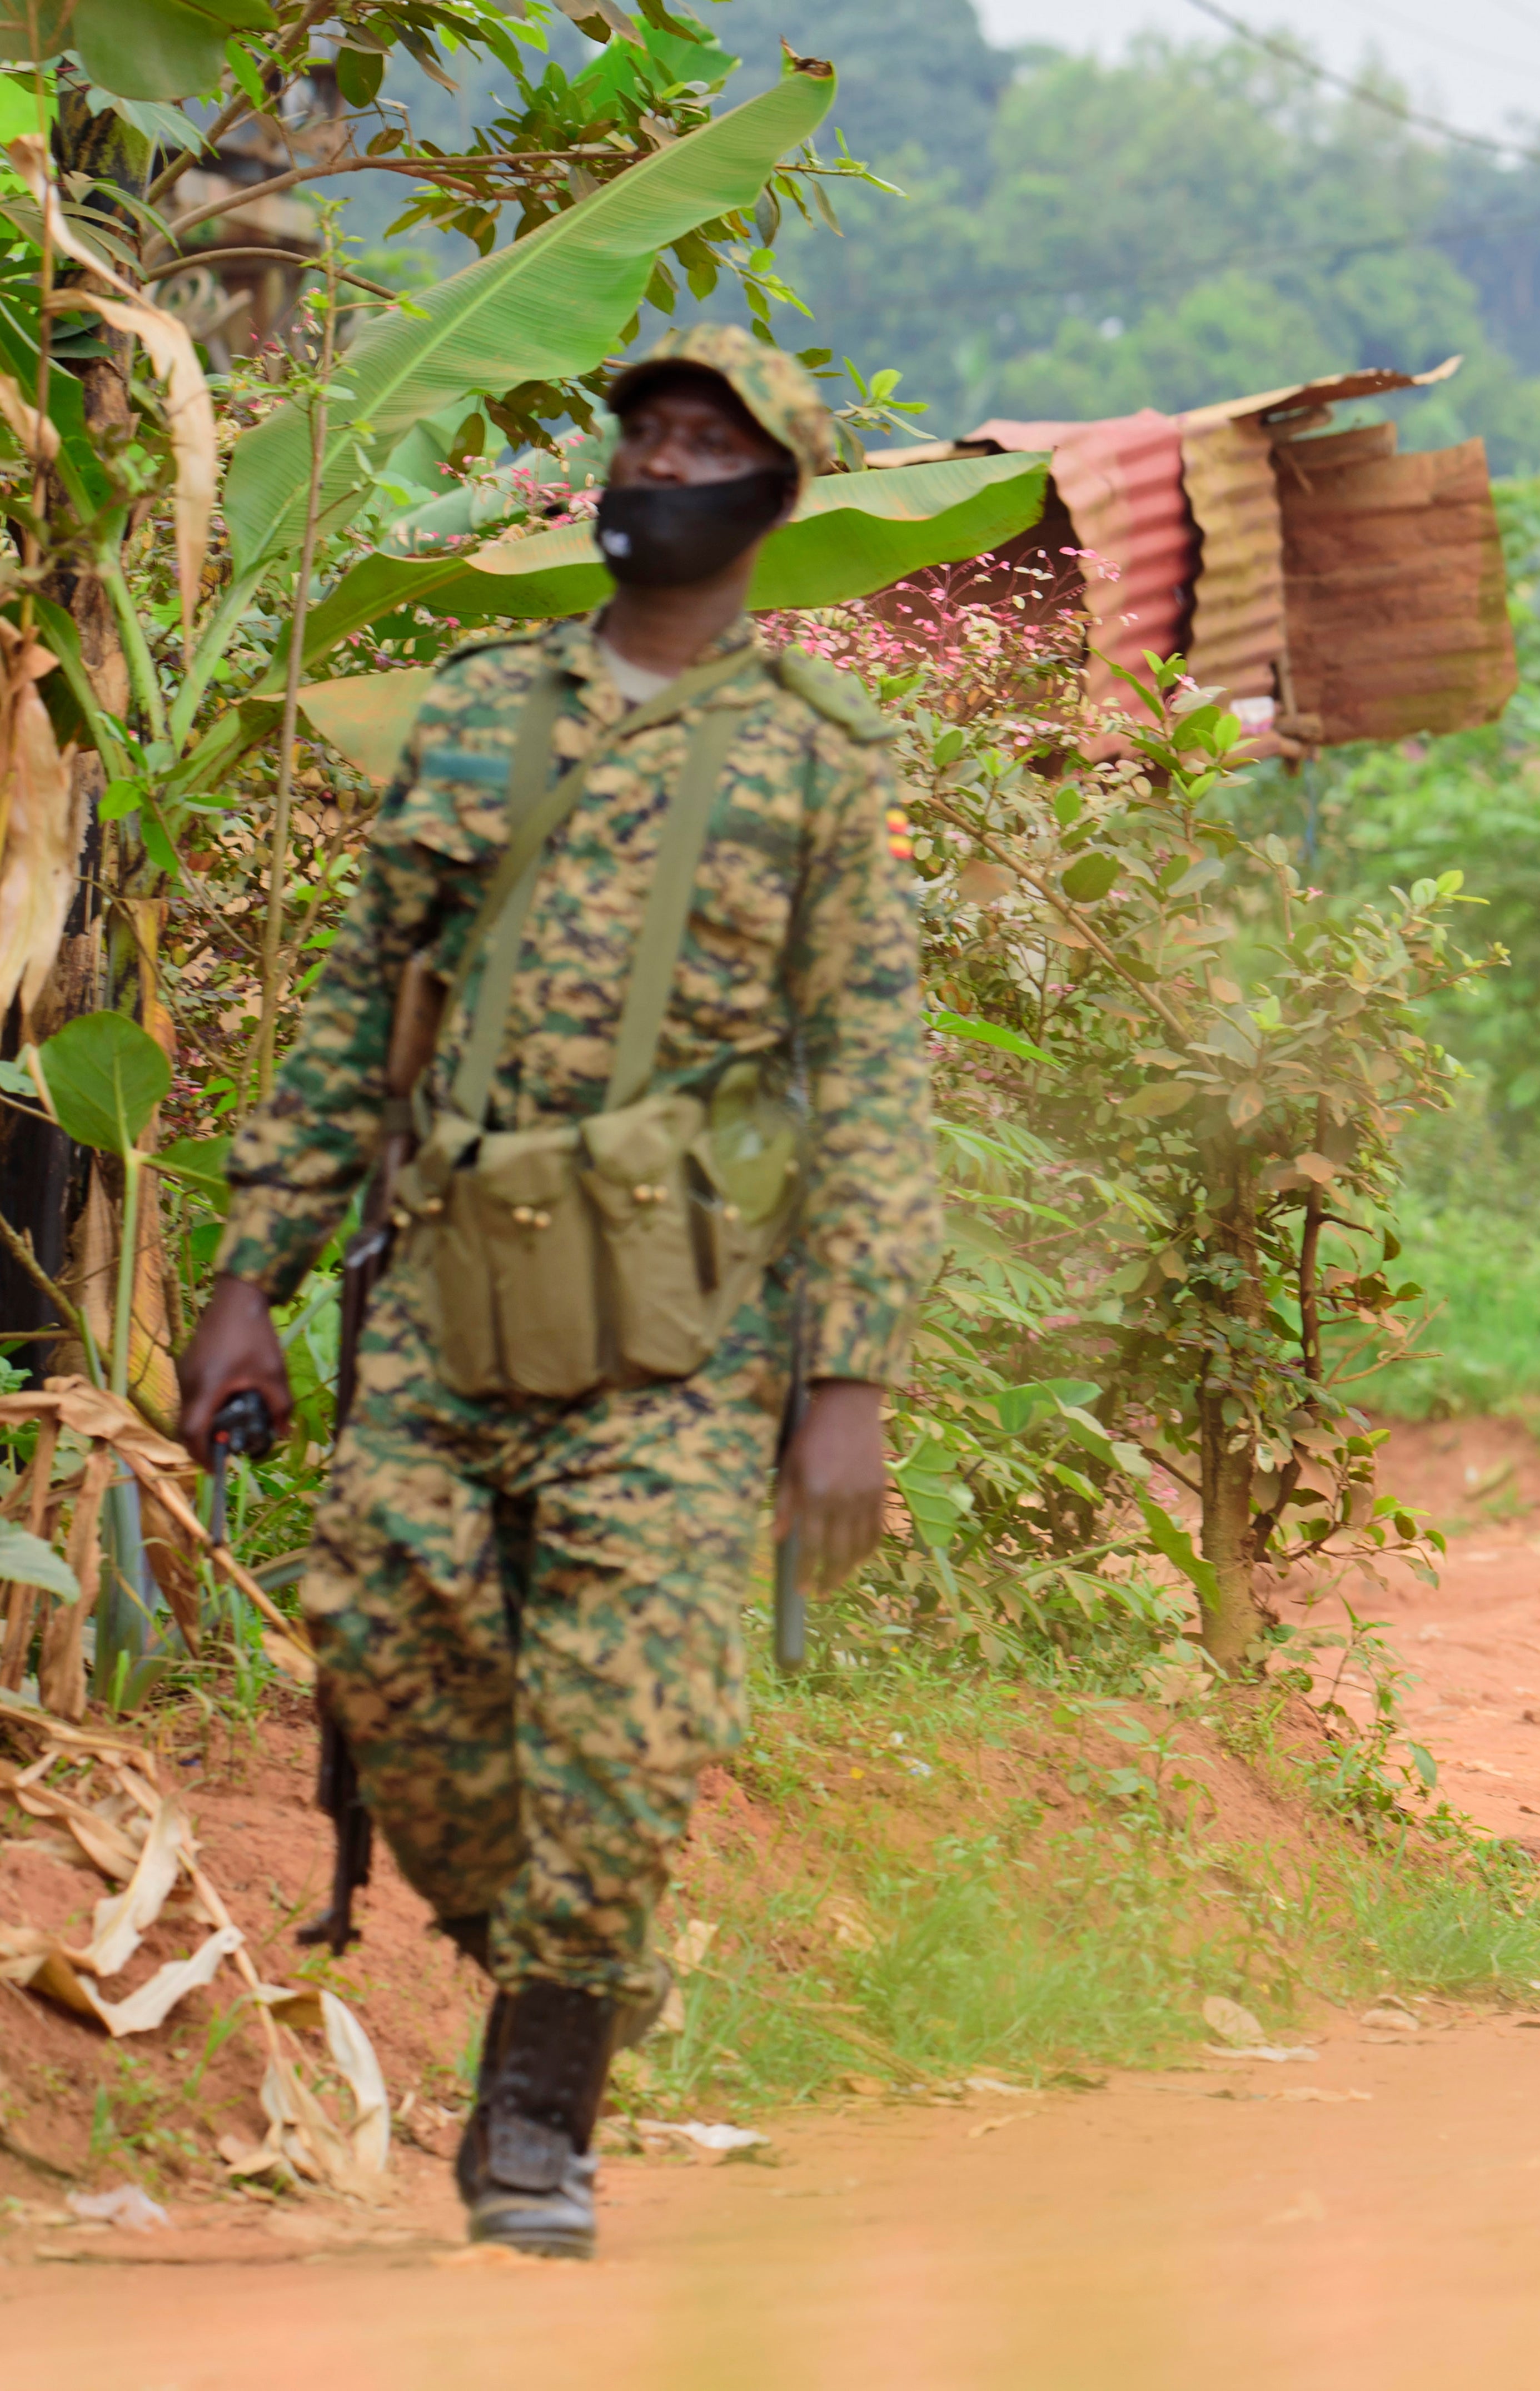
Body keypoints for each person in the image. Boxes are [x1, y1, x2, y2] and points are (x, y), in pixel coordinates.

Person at [177, 327, 938, 2256]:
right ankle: (570, 1944)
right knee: (386, 1649)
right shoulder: (474, 715)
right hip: (440, 1294)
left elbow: (867, 1075)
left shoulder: (816, 761)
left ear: (772, 495)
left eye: (706, 438)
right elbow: (362, 1007)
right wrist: (252, 1271)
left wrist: (845, 1380)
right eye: (644, 427)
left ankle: (538, 2115)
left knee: (624, 1725)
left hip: (683, 1333)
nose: (658, 457)